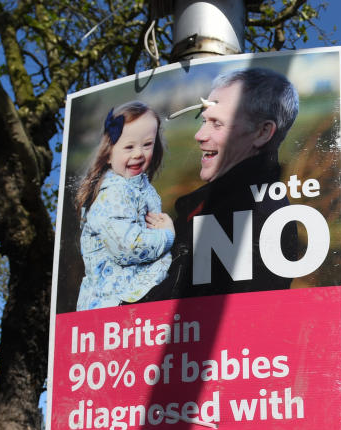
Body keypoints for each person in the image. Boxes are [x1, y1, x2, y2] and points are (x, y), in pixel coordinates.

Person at [139, 67, 300, 302]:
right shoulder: (222, 204)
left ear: (263, 132)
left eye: (217, 124)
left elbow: (189, 314)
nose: (199, 135)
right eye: (204, 120)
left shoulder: (252, 215)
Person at [74, 102, 174, 310]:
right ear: (109, 154)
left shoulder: (141, 187)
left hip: (131, 295)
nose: (138, 153)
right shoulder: (113, 193)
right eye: (129, 147)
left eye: (147, 144)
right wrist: (166, 236)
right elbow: (127, 247)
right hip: (111, 302)